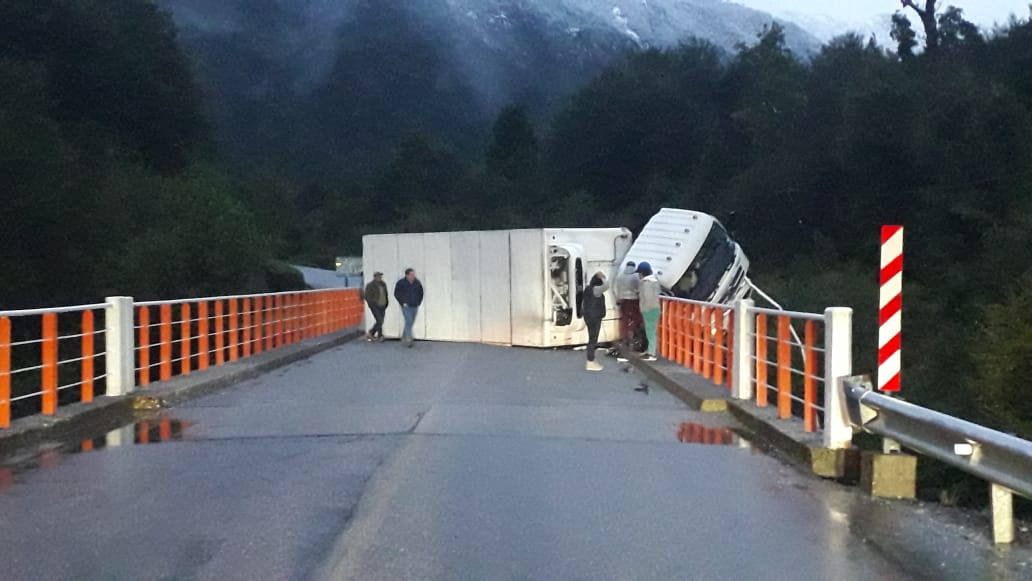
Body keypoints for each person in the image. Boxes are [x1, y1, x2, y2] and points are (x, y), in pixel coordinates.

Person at [581, 271, 609, 371]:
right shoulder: (596, 290)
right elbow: (607, 285)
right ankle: (590, 361)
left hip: (588, 316)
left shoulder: (588, 288)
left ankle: (592, 359)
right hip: (595, 317)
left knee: (591, 338)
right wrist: (603, 277)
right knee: (593, 340)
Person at [614, 261, 641, 354]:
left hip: (622, 300)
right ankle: (634, 336)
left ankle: (624, 337)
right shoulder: (636, 276)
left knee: (624, 320)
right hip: (633, 300)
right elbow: (638, 288)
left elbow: (615, 288)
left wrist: (618, 298)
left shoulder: (620, 276)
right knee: (636, 319)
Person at [394, 268, 424, 347]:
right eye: (411, 274)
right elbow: (397, 293)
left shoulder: (417, 282)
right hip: (406, 306)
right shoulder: (401, 283)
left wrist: (419, 302)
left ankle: (404, 336)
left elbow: (421, 292)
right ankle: (409, 339)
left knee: (410, 322)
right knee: (409, 320)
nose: (413, 276)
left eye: (413, 274)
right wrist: (402, 302)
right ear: (407, 275)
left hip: (415, 305)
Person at [637, 262, 661, 362]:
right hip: (655, 308)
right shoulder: (655, 280)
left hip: (649, 310)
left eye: (639, 273)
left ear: (642, 273)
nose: (638, 275)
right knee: (651, 331)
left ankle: (652, 354)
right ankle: (650, 350)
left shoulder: (646, 283)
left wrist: (644, 309)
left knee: (650, 332)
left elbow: (647, 297)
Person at [363, 271, 388, 341]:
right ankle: (371, 332)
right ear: (375, 277)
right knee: (379, 320)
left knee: (380, 321)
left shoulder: (383, 284)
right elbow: (366, 296)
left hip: (383, 304)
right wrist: (372, 303)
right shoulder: (370, 285)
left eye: (380, 276)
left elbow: (386, 294)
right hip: (375, 306)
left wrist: (386, 302)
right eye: (378, 276)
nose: (380, 277)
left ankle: (379, 335)